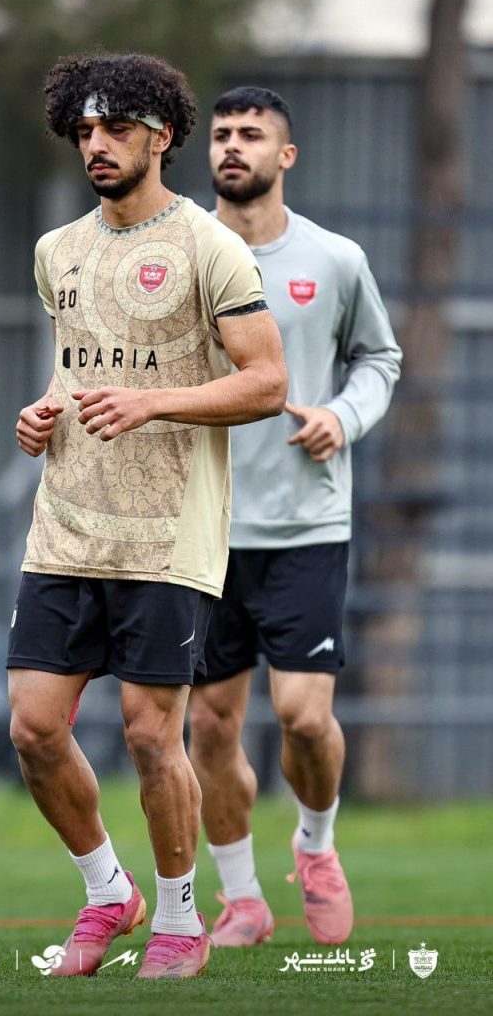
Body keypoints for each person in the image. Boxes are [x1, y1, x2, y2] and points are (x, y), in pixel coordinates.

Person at [8, 57, 288, 979]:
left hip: (168, 537)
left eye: (117, 128)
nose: (97, 145)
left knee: (147, 735)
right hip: (65, 527)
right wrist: (41, 414)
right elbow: (76, 368)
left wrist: (153, 403)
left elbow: (266, 382)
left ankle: (178, 918)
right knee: (33, 729)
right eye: (85, 130)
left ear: (160, 136)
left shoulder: (211, 247)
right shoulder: (56, 250)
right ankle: (107, 894)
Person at [188, 86, 402, 948]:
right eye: (221, 134)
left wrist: (340, 418)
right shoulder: (180, 252)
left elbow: (378, 358)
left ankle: (314, 846)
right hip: (201, 529)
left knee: (306, 718)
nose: (231, 146)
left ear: (285, 157)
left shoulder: (335, 259)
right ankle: (242, 898)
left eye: (251, 134)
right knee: (208, 725)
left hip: (305, 527)